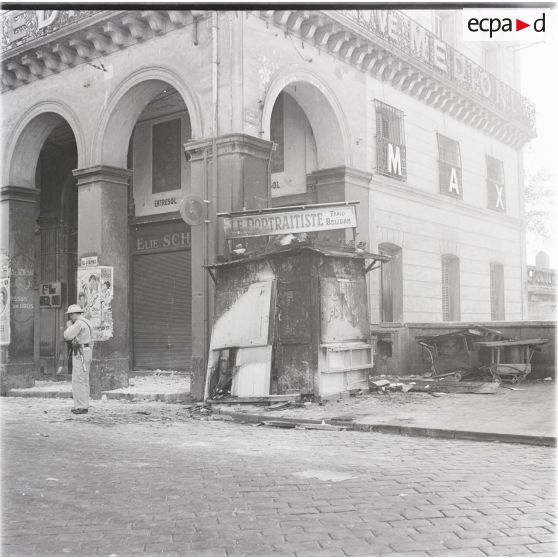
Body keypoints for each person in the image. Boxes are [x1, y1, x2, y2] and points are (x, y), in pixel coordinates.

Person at [63, 304, 93, 414]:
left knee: (78, 379)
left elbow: (67, 335)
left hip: (80, 352)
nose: (70, 316)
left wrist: (69, 326)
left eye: (71, 314)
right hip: (87, 350)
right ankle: (85, 404)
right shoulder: (87, 322)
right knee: (85, 379)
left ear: (75, 314)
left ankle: (80, 406)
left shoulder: (78, 323)